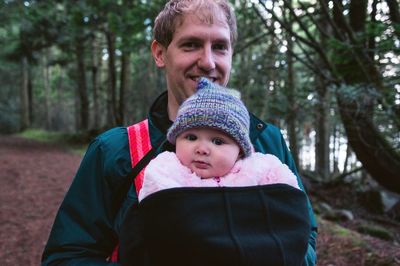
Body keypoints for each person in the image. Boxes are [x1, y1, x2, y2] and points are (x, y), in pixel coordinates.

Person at [41, 0, 318, 265]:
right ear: (160, 53)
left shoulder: (267, 141)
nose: (208, 62)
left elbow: (305, 237)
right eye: (191, 45)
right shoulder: (115, 151)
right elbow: (66, 257)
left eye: (220, 47)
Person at [138, 77, 300, 202]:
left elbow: (291, 207)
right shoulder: (166, 172)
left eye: (217, 141)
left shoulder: (258, 172)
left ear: (240, 151)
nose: (201, 149)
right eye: (191, 137)